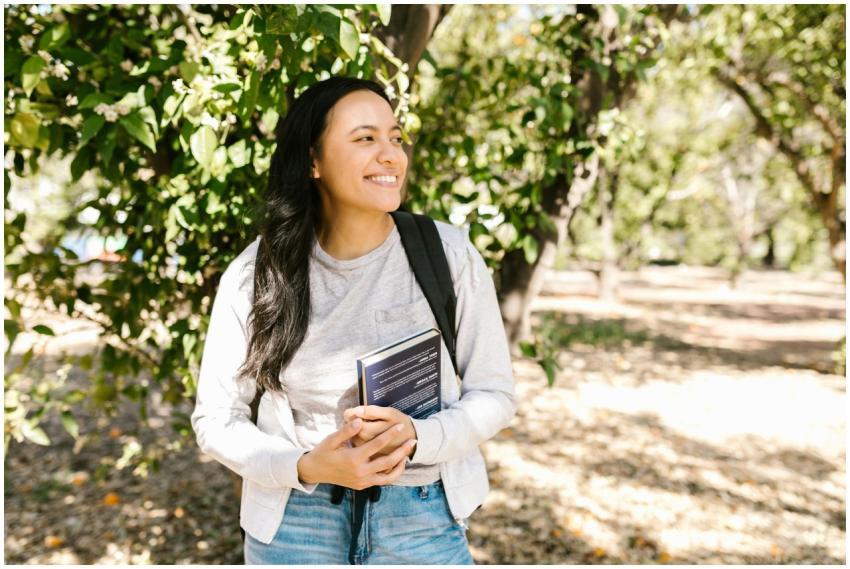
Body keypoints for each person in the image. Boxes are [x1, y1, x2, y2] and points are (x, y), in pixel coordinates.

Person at [190, 76, 516, 565]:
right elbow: (215, 419)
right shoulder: (255, 274)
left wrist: (419, 437)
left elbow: (494, 394)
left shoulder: (449, 256)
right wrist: (304, 464)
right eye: (365, 138)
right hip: (296, 523)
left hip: (421, 519)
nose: (391, 155)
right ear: (313, 161)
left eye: (395, 137)